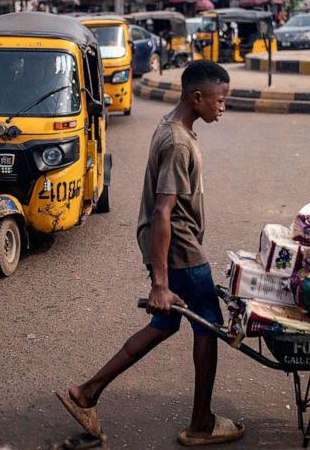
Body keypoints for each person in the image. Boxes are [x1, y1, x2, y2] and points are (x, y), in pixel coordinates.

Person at [57, 61, 244, 446]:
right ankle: (201, 424)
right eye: (220, 100)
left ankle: (87, 392)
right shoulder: (177, 142)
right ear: (197, 97)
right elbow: (163, 211)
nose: (223, 107)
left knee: (165, 325)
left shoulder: (174, 127)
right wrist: (160, 283)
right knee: (208, 325)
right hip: (181, 250)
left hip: (173, 247)